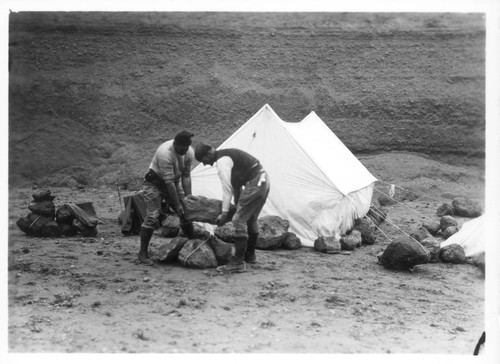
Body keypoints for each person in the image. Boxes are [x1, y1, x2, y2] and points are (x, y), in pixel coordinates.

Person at [194, 144, 270, 273]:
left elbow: (226, 188)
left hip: (256, 182)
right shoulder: (229, 158)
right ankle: (249, 256)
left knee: (238, 220)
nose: (205, 164)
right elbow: (236, 189)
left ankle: (238, 262)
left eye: (203, 161)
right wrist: (235, 206)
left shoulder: (222, 161)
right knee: (250, 219)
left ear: (208, 154)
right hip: (263, 181)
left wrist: (224, 213)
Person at [138, 131, 195, 265]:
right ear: (175, 144)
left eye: (185, 149)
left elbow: (186, 176)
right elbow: (168, 182)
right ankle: (142, 253)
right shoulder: (165, 153)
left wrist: (189, 199)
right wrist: (177, 205)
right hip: (154, 183)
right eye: (181, 149)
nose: (183, 151)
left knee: (186, 212)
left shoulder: (190, 152)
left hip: (173, 182)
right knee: (153, 215)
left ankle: (191, 244)